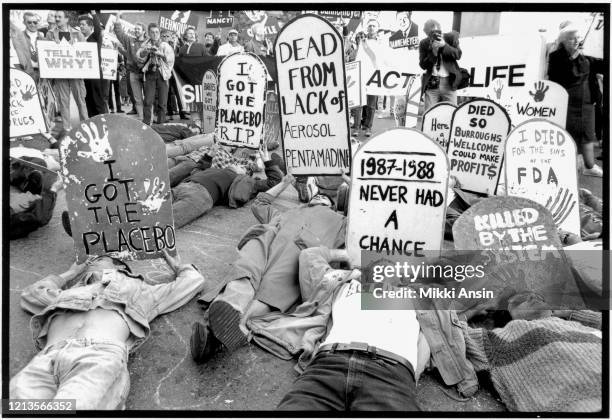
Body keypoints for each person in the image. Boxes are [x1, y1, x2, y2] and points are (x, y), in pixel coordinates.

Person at [9, 250, 205, 410]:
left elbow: (192, 281)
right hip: (46, 359)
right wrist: (70, 273)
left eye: (101, 258)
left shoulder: (141, 290)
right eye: (92, 259)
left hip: (98, 357)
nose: (93, 259)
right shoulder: (71, 291)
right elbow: (31, 294)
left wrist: (176, 264)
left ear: (119, 266)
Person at [189, 174, 348, 359]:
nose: (321, 197)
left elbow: (369, 223)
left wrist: (357, 187)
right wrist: (284, 182)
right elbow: (260, 203)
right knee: (246, 270)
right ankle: (228, 313)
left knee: (273, 286)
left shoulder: (342, 223)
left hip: (297, 255)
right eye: (318, 195)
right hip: (266, 243)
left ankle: (219, 336)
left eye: (327, 198)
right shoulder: (285, 213)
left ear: (336, 204)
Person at [275, 247, 426, 411]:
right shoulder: (343, 285)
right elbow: (309, 255)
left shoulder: (413, 297)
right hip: (329, 365)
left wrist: (412, 376)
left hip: (388, 372)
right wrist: (345, 255)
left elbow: (429, 339)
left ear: (401, 280)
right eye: (375, 265)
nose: (384, 267)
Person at [460, 291, 601, 412]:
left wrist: (571, 313)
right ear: (507, 316)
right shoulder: (504, 338)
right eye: (520, 298)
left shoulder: (579, 326)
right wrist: (475, 309)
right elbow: (449, 333)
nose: (532, 295)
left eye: (538, 295)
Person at [171, 143, 282, 228]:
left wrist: (267, 160)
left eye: (242, 167)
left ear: (244, 174)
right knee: (154, 202)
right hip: (182, 186)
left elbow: (274, 181)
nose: (238, 165)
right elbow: (198, 169)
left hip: (200, 196)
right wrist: (209, 156)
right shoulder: (214, 170)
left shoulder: (244, 181)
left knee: (164, 221)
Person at [548, 24, 604, 177]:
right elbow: (572, 76)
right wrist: (574, 57)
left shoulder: (583, 57)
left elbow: (600, 64)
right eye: (572, 39)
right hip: (568, 106)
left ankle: (589, 166)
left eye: (578, 38)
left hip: (586, 105)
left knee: (587, 136)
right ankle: (567, 170)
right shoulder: (556, 58)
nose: (576, 41)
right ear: (563, 41)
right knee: (568, 137)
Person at [45, 10, 89, 135]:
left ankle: (85, 126)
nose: (57, 19)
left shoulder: (77, 33)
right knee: (63, 101)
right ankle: (67, 128)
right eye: (56, 16)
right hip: (60, 73)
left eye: (60, 17)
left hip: (76, 73)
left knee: (80, 100)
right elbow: (46, 52)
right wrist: (53, 46)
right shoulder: (50, 34)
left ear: (66, 19)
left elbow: (86, 51)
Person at [419, 19, 462, 112]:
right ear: (427, 34)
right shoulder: (424, 43)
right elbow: (422, 65)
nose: (435, 34)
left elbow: (458, 55)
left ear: (440, 29)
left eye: (437, 31)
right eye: (431, 33)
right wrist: (433, 53)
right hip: (432, 83)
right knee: (429, 114)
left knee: (452, 113)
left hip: (449, 83)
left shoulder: (451, 38)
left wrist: (444, 46)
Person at [136, 23, 175, 125]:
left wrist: (160, 54)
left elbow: (171, 59)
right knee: (148, 101)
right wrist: (145, 51)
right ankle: (146, 124)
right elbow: (139, 58)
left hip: (162, 73)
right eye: (152, 32)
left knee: (162, 102)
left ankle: (161, 125)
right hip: (150, 73)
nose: (155, 34)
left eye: (157, 32)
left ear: (159, 33)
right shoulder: (145, 44)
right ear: (148, 33)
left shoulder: (165, 45)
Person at [114, 13, 148, 119]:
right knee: (137, 98)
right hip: (133, 73)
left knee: (148, 97)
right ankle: (142, 118)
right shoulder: (130, 40)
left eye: (139, 29)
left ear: (143, 31)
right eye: (135, 29)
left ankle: (149, 117)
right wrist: (118, 18)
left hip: (146, 73)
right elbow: (120, 33)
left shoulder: (148, 42)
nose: (136, 30)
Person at [352, 19, 380, 137]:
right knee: (359, 103)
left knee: (371, 105)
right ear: (366, 28)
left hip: (374, 77)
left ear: (378, 28)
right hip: (361, 75)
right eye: (369, 26)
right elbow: (355, 57)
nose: (371, 28)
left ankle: (368, 127)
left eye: (374, 26)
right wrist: (360, 43)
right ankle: (357, 127)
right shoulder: (361, 41)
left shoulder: (381, 43)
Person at [79, 12, 109, 117]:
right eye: (80, 24)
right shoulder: (79, 39)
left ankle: (103, 121)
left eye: (83, 24)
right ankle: (92, 121)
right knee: (88, 100)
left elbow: (98, 28)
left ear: (90, 26)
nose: (81, 26)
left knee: (98, 100)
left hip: (95, 75)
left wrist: (94, 14)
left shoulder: (95, 37)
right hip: (85, 75)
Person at [22, 12, 45, 83]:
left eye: (35, 22)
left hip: (41, 73)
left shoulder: (43, 38)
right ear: (24, 22)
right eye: (29, 22)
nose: (32, 24)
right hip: (26, 73)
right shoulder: (19, 37)